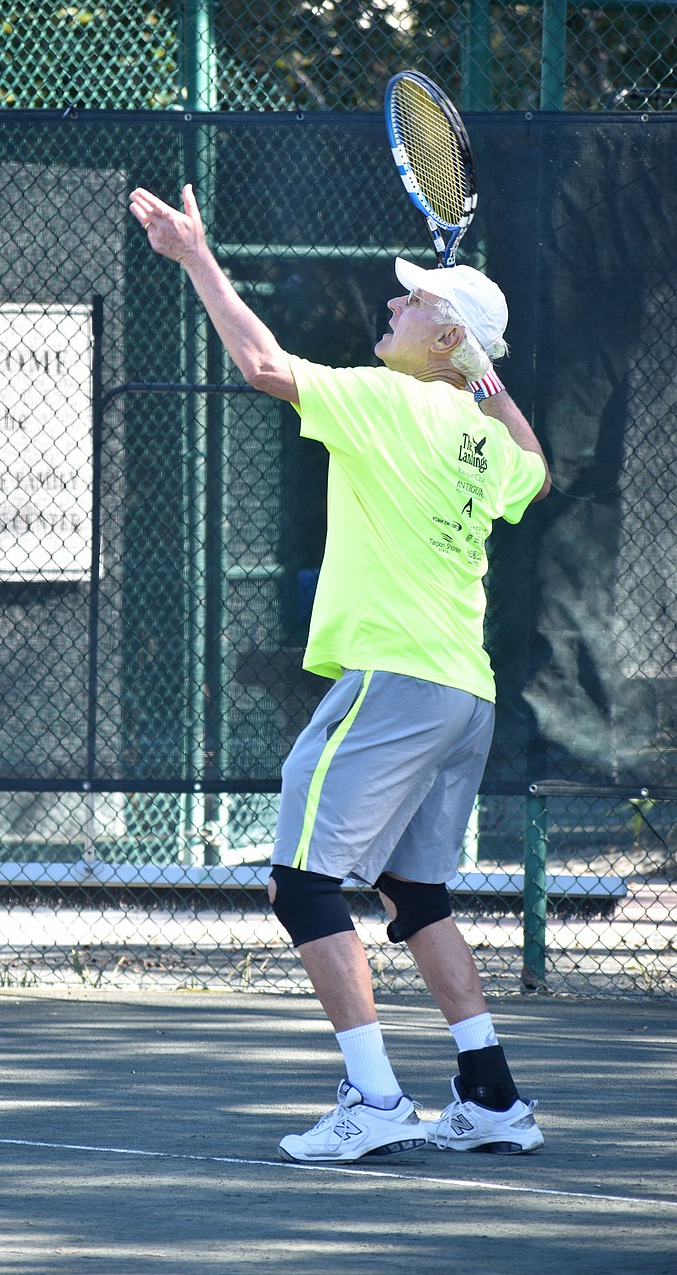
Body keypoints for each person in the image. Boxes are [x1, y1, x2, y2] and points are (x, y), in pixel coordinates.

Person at [129, 183, 550, 1165]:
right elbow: (533, 457)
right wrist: (482, 371)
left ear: (444, 342)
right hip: (462, 695)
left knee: (303, 884)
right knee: (418, 896)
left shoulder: (385, 402)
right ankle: (488, 1093)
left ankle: (373, 1097)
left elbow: (263, 362)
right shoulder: (484, 435)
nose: (391, 308)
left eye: (412, 304)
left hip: (394, 681)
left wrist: (194, 256)